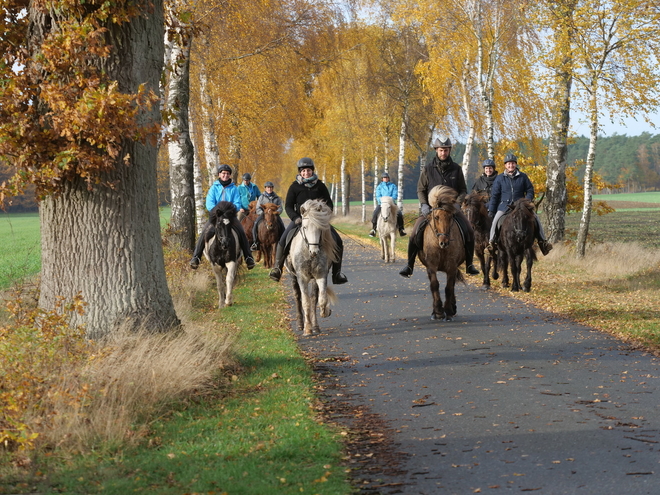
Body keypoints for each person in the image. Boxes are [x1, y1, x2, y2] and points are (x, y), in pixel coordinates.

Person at [398, 135, 480, 278]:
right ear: (436, 150)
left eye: (446, 150)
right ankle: (409, 265)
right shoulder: (428, 169)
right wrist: (424, 205)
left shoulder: (456, 169)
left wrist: (457, 203)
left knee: (469, 231)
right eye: (441, 150)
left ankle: (469, 265)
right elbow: (420, 189)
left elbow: (462, 190)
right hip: (432, 209)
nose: (443, 153)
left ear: (449, 151)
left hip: (451, 209)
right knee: (415, 233)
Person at [268, 157, 348, 285]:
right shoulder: (294, 187)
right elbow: (288, 206)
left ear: (312, 171)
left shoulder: (320, 186)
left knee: (338, 241)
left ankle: (336, 274)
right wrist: (295, 218)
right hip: (300, 220)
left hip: (318, 222)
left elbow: (329, 204)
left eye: (309, 170)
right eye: (304, 171)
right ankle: (277, 268)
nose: (306, 173)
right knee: (283, 239)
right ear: (300, 172)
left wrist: (324, 216)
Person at [189, 164, 256, 270]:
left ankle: (248, 257)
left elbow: (237, 203)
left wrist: (229, 211)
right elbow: (209, 203)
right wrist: (217, 211)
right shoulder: (214, 188)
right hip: (216, 216)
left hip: (230, 216)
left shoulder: (233, 188)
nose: (225, 175)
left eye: (227, 173)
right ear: (219, 174)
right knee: (205, 231)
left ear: (230, 175)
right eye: (223, 173)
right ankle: (196, 257)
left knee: (241, 232)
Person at [486, 153, 553, 256]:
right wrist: (491, 210)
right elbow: (495, 195)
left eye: (512, 163)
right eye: (508, 164)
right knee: (496, 221)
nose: (511, 166)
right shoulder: (499, 178)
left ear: (515, 164)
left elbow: (530, 189)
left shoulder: (523, 176)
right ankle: (491, 243)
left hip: (521, 206)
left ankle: (543, 243)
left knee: (536, 218)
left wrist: (527, 199)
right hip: (505, 205)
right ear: (505, 165)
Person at [368, 172, 407, 238]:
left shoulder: (393, 186)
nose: (385, 179)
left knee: (399, 214)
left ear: (388, 178)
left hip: (391, 203)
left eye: (387, 177)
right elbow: (378, 196)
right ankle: (373, 230)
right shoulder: (379, 187)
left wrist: (389, 200)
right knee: (375, 213)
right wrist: (383, 201)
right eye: (384, 178)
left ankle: (401, 229)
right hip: (382, 204)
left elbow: (395, 195)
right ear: (382, 179)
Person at [251, 181, 285, 251]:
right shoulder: (261, 197)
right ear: (265, 188)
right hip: (264, 215)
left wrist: (277, 212)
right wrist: (263, 213)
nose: (269, 189)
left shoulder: (277, 198)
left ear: (272, 188)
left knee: (281, 225)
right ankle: (255, 242)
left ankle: (282, 242)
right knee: (255, 224)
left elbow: (280, 208)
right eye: (268, 187)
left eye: (270, 187)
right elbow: (258, 208)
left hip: (274, 215)